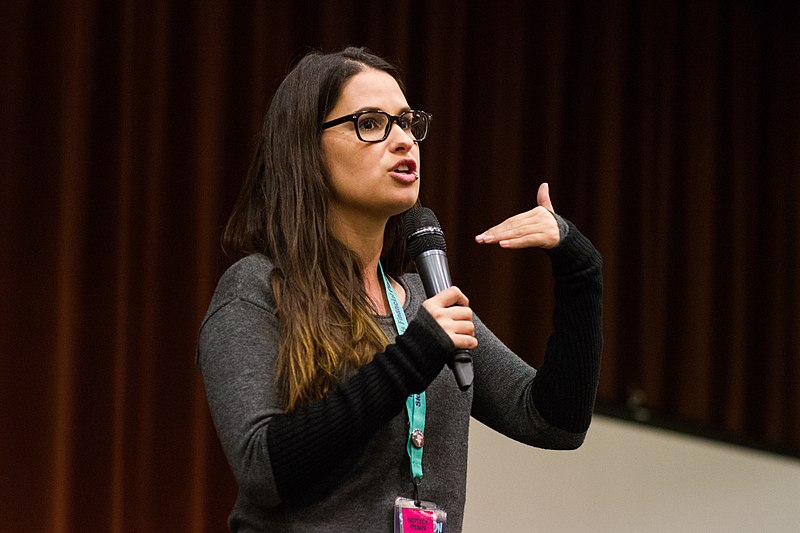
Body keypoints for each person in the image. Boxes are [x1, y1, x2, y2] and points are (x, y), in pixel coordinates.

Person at [197, 46, 602, 532]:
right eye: (371, 122)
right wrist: (415, 354)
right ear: (306, 146)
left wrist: (580, 270)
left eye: (408, 122)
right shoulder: (258, 287)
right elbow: (262, 467)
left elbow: (555, 422)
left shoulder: (424, 301)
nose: (404, 141)